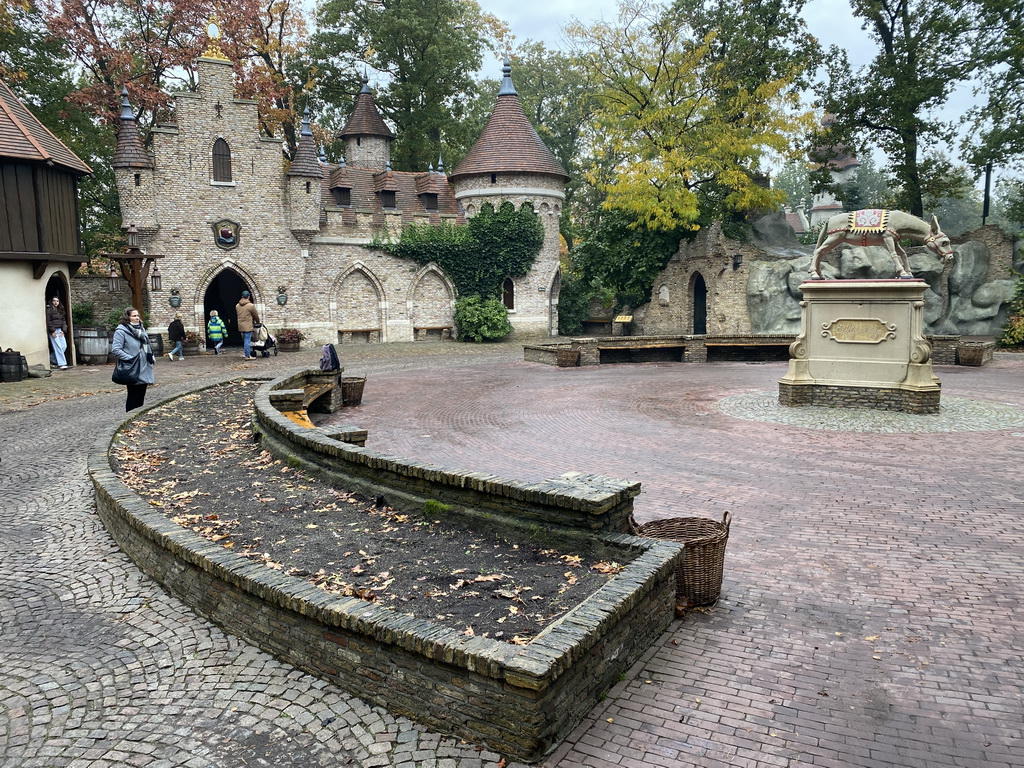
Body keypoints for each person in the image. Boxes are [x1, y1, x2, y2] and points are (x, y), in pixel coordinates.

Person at [111, 306, 155, 411]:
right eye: (134, 316)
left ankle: (138, 419)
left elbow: (147, 345)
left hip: (144, 366)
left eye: (138, 315)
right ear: (128, 317)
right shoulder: (121, 331)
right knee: (133, 395)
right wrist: (130, 358)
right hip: (132, 367)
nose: (137, 318)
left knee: (141, 395)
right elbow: (116, 349)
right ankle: (129, 416)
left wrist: (150, 357)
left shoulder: (141, 329)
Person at [46, 296, 69, 369]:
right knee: (58, 347)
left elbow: (63, 321)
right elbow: (48, 321)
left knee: (63, 346)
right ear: (52, 301)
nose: (56, 302)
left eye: (57, 301)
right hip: (54, 330)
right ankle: (62, 364)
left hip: (60, 330)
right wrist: (52, 331)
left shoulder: (60, 310)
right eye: (54, 301)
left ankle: (51, 359)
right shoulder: (49, 310)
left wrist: (64, 330)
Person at [235, 290, 260, 360]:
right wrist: (258, 322)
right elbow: (255, 315)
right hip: (248, 325)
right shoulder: (250, 306)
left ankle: (246, 353)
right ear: (248, 297)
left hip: (241, 325)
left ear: (242, 297)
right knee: (247, 340)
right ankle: (247, 356)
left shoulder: (237, 306)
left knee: (245, 340)